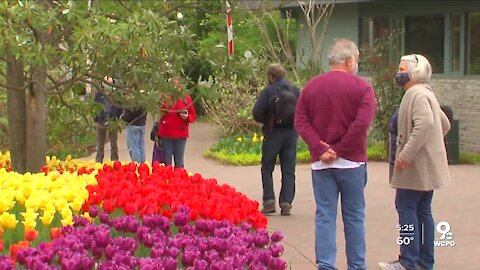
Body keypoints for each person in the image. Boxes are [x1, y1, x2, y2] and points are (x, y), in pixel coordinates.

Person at [294, 39, 376, 270]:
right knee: (354, 217)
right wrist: (339, 149)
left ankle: (326, 264)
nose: (356, 63)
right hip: (352, 163)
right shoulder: (362, 88)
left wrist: (320, 148)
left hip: (322, 165)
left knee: (325, 216)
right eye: (357, 59)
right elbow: (362, 123)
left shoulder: (311, 86)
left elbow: (300, 121)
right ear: (349, 60)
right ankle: (357, 265)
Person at [378, 54, 451, 270]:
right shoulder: (425, 93)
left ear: (415, 73)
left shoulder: (415, 95)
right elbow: (443, 124)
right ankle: (424, 262)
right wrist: (431, 147)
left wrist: (407, 153)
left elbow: (427, 124)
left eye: (402, 69)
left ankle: (408, 261)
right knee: (422, 211)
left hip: (413, 168)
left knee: (406, 208)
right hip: (425, 168)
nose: (398, 73)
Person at [252, 63, 300, 216]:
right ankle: (286, 203)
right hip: (291, 134)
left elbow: (257, 112)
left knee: (267, 167)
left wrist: (265, 120)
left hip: (273, 133)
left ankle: (269, 202)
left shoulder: (269, 90)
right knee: (289, 169)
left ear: (270, 76)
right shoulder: (294, 90)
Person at [157, 78, 197, 169]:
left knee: (179, 163)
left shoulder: (186, 98)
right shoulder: (164, 97)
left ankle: (179, 181)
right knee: (167, 163)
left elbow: (193, 115)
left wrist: (186, 117)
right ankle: (167, 181)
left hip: (181, 134)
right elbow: (160, 113)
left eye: (176, 85)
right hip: (166, 133)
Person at [94, 76, 123, 163]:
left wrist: (117, 118)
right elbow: (95, 107)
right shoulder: (99, 95)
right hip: (101, 121)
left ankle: (115, 161)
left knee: (114, 144)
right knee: (100, 144)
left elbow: (120, 107)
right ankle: (99, 161)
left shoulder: (116, 96)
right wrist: (97, 118)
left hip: (113, 122)